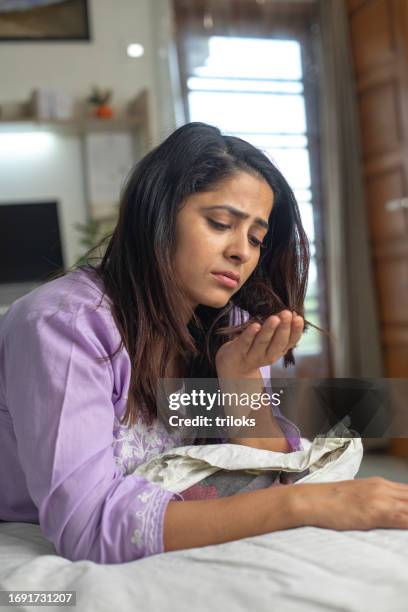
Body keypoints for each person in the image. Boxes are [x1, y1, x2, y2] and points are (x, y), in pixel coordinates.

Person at [0, 123, 407, 565]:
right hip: (32, 526)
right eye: (219, 223)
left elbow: (262, 475)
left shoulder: (227, 327)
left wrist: (240, 378)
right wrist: (306, 505)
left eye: (256, 238)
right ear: (156, 214)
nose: (242, 252)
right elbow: (89, 523)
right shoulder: (65, 324)